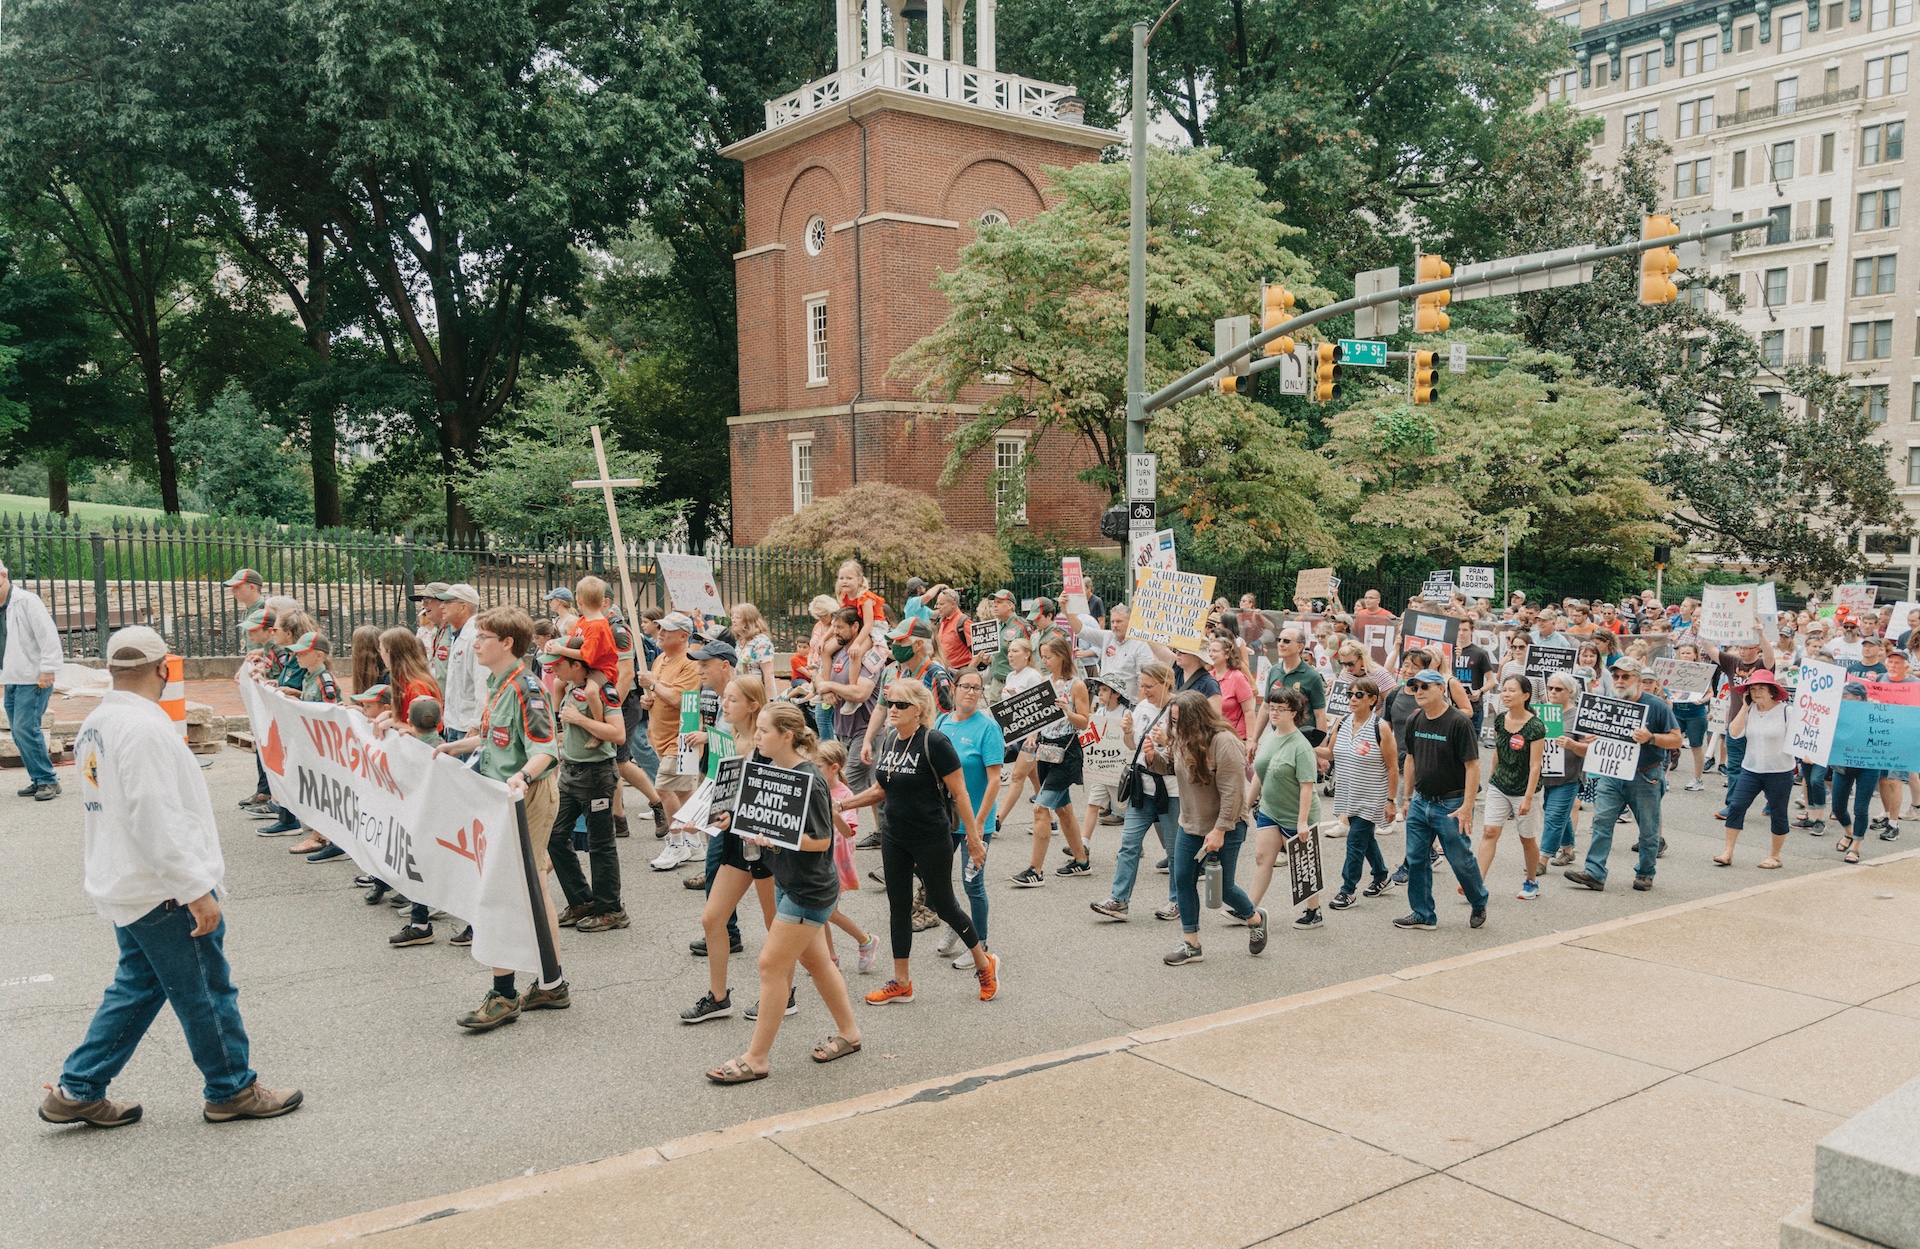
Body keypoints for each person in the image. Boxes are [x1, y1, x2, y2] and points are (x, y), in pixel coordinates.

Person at [41, 626, 302, 1129]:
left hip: (128, 879)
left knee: (139, 986)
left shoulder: (99, 720)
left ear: (114, 669)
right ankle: (230, 1087)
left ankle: (79, 1088)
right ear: (164, 669)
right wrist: (194, 889)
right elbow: (154, 815)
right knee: (206, 990)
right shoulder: (143, 728)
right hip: (160, 887)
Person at [703, 703, 864, 1083]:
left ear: (787, 736)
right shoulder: (771, 772)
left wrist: (775, 838)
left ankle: (756, 1058)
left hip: (809, 890)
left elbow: (822, 839)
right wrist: (733, 819)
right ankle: (850, 1034)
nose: (756, 737)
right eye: (757, 730)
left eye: (763, 731)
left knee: (770, 966)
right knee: (817, 963)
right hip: (787, 882)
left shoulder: (810, 779)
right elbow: (762, 816)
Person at [432, 606, 568, 1029]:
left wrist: (522, 778)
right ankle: (551, 981)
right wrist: (460, 746)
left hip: (522, 797)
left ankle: (505, 993)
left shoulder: (527, 688)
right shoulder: (499, 683)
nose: (475, 644)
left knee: (503, 890)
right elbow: (496, 740)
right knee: (530, 887)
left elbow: (545, 749)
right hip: (501, 797)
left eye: (483, 637)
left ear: (507, 643)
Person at [837, 679, 1000, 1004]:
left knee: (943, 904)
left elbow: (960, 792)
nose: (892, 710)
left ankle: (984, 963)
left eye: (900, 705)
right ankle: (901, 982)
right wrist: (842, 804)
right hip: (895, 836)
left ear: (919, 709)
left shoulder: (935, 742)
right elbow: (882, 789)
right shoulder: (893, 740)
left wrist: (974, 837)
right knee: (899, 907)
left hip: (931, 837)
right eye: (890, 703)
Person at [681, 677, 783, 1023]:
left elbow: (770, 800)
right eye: (724, 698)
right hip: (734, 838)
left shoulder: (765, 743)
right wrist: (700, 815)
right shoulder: (728, 738)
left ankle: (785, 994)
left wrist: (728, 816)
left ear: (753, 705)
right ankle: (718, 997)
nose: (724, 704)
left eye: (733, 700)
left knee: (776, 925)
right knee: (713, 918)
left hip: (763, 844)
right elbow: (719, 788)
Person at [1146, 690, 1257, 965]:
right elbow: (1169, 765)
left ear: (1197, 718)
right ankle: (1191, 944)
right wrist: (1152, 757)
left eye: (1180, 721)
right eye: (1173, 721)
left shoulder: (1225, 742)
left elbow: (1233, 793)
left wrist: (1219, 830)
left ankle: (1255, 919)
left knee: (1222, 889)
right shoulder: (1183, 737)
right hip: (1191, 823)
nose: (1176, 727)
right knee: (1182, 880)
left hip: (1227, 825)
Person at [1564, 656, 1681, 893]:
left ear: (1638, 680)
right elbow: (1594, 738)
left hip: (1645, 775)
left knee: (1648, 829)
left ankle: (1646, 873)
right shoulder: (1607, 704)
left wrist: (1651, 738)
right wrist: (1591, 739)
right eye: (1616, 676)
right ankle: (1594, 872)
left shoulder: (1656, 705)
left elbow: (1677, 738)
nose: (1619, 681)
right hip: (1612, 774)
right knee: (1601, 822)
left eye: (1625, 676)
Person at [1394, 670, 1489, 931]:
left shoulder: (1459, 722)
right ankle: (1423, 913)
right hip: (1421, 802)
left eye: (1425, 686)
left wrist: (1467, 807)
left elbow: (1473, 766)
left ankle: (1478, 901)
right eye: (1414, 687)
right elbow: (1410, 759)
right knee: (1415, 859)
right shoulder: (1415, 720)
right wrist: (1407, 797)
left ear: (1441, 689)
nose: (1419, 691)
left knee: (1460, 859)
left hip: (1451, 804)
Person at [547, 638, 629, 933]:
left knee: (600, 844)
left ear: (576, 664)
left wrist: (580, 720)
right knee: (554, 836)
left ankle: (610, 909)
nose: (553, 669)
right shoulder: (572, 687)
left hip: (596, 777)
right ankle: (581, 901)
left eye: (558, 664)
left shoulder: (603, 691)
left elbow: (617, 734)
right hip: (570, 773)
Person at [1091, 662, 1182, 922]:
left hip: (1171, 789)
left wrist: (1168, 740)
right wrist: (1128, 731)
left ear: (1166, 683)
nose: (1143, 691)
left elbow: (1190, 747)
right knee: (1128, 844)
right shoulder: (1141, 707)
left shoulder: (1180, 708)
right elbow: (1133, 746)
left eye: (1149, 686)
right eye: (1141, 685)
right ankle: (1119, 900)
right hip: (1142, 786)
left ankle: (1177, 901)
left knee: (1175, 850)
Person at [934, 670, 1005, 965]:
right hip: (945, 819)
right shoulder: (941, 723)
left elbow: (995, 780)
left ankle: (981, 944)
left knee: (972, 883)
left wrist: (978, 824)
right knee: (935, 879)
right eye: (966, 686)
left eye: (977, 688)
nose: (971, 693)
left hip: (976, 821)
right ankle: (957, 922)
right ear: (954, 688)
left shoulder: (987, 729)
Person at [1245, 686, 1322, 937]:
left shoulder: (1301, 746)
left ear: (1295, 712)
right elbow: (1260, 773)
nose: (1274, 712)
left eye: (1281, 709)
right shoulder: (1269, 738)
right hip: (1270, 809)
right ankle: (1248, 907)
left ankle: (1313, 910)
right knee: (1261, 858)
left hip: (1297, 813)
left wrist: (1302, 822)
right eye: (1271, 707)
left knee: (1302, 865)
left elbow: (1307, 787)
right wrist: (1245, 806)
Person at [1317, 677, 1398, 910]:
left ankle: (1347, 891)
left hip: (1372, 795)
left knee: (1355, 841)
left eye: (1359, 695)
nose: (1352, 698)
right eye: (1350, 694)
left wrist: (1391, 801)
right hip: (1348, 793)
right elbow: (1330, 753)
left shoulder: (1380, 727)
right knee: (1365, 838)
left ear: (1373, 699)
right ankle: (1382, 876)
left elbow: (1393, 767)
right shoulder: (1342, 722)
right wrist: (1305, 745)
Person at [634, 612, 703, 866]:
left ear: (684, 636)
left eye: (668, 630)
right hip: (663, 739)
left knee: (663, 787)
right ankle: (695, 843)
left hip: (682, 738)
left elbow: (680, 699)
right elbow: (662, 695)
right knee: (684, 793)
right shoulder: (661, 659)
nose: (660, 632)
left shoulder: (690, 663)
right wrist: (648, 699)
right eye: (660, 628)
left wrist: (652, 686)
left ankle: (677, 843)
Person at [1716, 668, 1796, 869]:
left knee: (1778, 812)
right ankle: (1728, 851)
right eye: (1753, 689)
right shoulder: (1750, 711)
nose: (1757, 692)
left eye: (1761, 688)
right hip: (1751, 769)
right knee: (1736, 806)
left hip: (1779, 770)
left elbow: (1799, 739)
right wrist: (1744, 707)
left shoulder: (1786, 711)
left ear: (1772, 691)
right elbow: (1734, 734)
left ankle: (1775, 855)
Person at [1, 560, 65, 801]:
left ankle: (47, 779)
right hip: (12, 678)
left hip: (33, 677)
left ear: (4, 575)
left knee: (24, 728)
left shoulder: (27, 602)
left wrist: (48, 669)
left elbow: (47, 635)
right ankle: (39, 779)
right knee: (19, 733)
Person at [1477, 676, 1545, 900]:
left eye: (1512, 690)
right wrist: (1491, 779)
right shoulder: (1500, 719)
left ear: (1525, 696)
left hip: (1525, 789)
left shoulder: (1535, 726)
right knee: (1489, 832)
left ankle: (1531, 881)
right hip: (1500, 785)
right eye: (1504, 690)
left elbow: (1536, 766)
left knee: (1526, 838)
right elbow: (1498, 750)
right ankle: (1476, 883)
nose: (1506, 694)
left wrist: (1527, 798)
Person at [1537, 673, 1591, 868]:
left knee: (1554, 816)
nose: (1552, 692)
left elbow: (1589, 748)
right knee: (1557, 813)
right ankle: (1568, 850)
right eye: (1550, 688)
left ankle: (1541, 860)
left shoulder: (1579, 715)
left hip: (1570, 776)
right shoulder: (1543, 712)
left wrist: (1572, 745)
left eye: (1558, 689)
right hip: (1546, 775)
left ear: (1570, 692)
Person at [1830, 681, 1881, 864]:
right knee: (1837, 807)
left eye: (1846, 696)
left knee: (1860, 807)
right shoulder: (1837, 711)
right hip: (1843, 764)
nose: (1841, 699)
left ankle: (1856, 846)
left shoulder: (1875, 711)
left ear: (1858, 698)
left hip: (1868, 764)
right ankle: (1849, 832)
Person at [1254, 626, 1328, 744]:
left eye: (1286, 641)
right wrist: (1254, 740)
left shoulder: (1312, 676)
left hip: (1303, 741)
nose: (1281, 644)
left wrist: (1322, 750)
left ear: (1300, 647)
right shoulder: (1274, 671)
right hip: (1277, 739)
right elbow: (1265, 706)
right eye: (1279, 640)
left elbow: (1319, 714)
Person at [980, 590, 1030, 703]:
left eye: (999, 602)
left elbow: (1032, 655)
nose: (995, 605)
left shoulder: (1021, 626)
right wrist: (987, 660)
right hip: (996, 682)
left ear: (1010, 605)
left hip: (1014, 683)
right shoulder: (994, 626)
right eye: (994, 602)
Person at [1098, 603, 1155, 703]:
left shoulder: (1140, 645)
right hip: (1107, 704)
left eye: (1119, 621)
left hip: (1129, 705)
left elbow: (1145, 679)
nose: (1115, 625)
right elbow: (1081, 631)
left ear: (1130, 622)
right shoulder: (1107, 637)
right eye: (1112, 622)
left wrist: (1138, 709)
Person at [1209, 635, 1258, 740]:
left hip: (1235, 737)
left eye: (1215, 651)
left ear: (1227, 655)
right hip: (1212, 736)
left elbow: (1249, 711)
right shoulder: (1207, 677)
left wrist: (1250, 740)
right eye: (1209, 651)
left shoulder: (1238, 678)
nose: (1210, 654)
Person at [731, 603, 778, 691]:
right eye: (732, 617)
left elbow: (768, 674)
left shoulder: (761, 642)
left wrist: (770, 701)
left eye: (738, 617)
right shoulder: (738, 642)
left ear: (749, 620)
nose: (734, 620)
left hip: (756, 693)